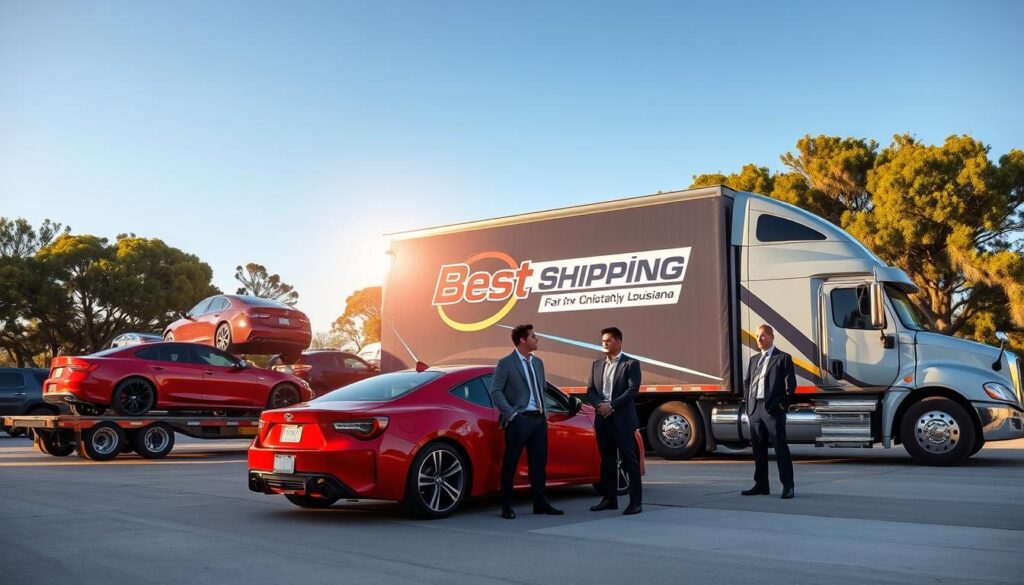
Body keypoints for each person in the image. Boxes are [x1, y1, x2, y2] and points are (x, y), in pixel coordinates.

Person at [490, 324, 564, 519]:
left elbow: (542, 389)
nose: (536, 339)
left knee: (538, 464)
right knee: (511, 463)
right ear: (523, 340)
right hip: (519, 420)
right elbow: (496, 391)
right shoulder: (506, 363)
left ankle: (540, 503)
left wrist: (545, 413)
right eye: (533, 336)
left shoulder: (538, 363)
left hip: (539, 420)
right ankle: (506, 506)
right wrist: (512, 415)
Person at [586, 327, 643, 515]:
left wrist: (612, 405)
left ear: (619, 342)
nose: (604, 343)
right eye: (603, 340)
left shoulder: (631, 364)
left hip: (623, 420)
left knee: (629, 460)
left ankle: (636, 502)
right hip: (603, 420)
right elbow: (590, 390)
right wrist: (600, 405)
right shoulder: (596, 364)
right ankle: (609, 499)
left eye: (608, 340)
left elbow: (632, 390)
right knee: (607, 460)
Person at [741, 324, 797, 499]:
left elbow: (791, 385)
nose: (759, 339)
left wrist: (781, 405)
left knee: (780, 448)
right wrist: (749, 404)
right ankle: (761, 484)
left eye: (763, 336)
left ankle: (788, 486)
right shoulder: (754, 359)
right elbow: (747, 382)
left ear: (772, 337)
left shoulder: (782, 358)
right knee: (758, 448)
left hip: (772, 409)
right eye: (757, 336)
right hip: (755, 409)